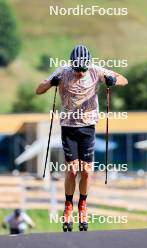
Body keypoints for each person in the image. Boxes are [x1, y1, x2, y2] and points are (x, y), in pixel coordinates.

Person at [36, 45, 128, 231]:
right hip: (68, 127)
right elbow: (38, 90)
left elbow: (123, 80)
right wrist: (51, 82)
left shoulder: (95, 70)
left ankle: (83, 206)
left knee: (86, 171)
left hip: (88, 127)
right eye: (77, 69)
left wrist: (112, 80)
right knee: (72, 170)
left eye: (82, 69)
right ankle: (68, 206)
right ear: (72, 65)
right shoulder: (62, 71)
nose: (79, 73)